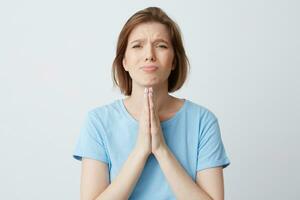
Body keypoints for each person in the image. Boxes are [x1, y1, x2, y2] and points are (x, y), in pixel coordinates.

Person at [73, 6, 230, 200]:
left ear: (174, 61)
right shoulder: (98, 121)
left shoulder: (203, 121)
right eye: (137, 45)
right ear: (125, 62)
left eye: (161, 45)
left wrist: (161, 149)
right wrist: (140, 151)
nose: (149, 55)